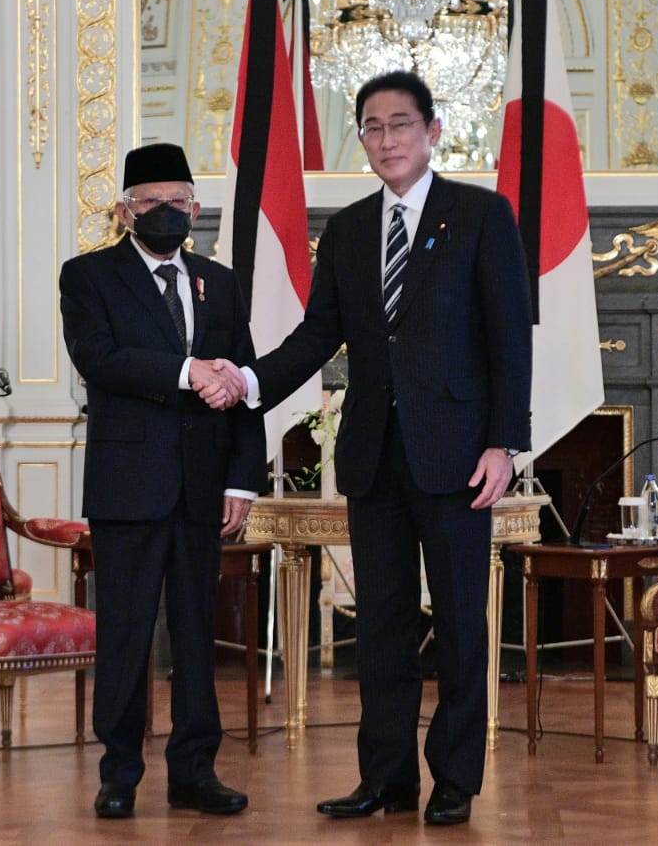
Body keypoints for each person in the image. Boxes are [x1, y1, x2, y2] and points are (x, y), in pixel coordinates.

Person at [215, 70, 533, 825]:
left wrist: (505, 444)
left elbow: (508, 338)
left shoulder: (483, 216)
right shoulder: (352, 228)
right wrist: (250, 380)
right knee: (382, 627)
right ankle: (386, 778)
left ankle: (454, 777)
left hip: (458, 456)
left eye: (400, 124)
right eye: (372, 127)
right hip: (372, 455)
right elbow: (320, 334)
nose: (386, 140)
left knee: (459, 622)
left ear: (433, 130)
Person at [59, 142, 265, 820]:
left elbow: (243, 383)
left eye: (179, 202)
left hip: (204, 490)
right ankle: (119, 771)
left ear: (197, 208)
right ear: (125, 211)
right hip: (128, 489)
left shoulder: (220, 282)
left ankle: (194, 770)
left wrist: (244, 479)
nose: (168, 213)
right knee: (126, 633)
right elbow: (100, 358)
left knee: (197, 635)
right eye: (152, 203)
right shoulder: (88, 276)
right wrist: (185, 371)